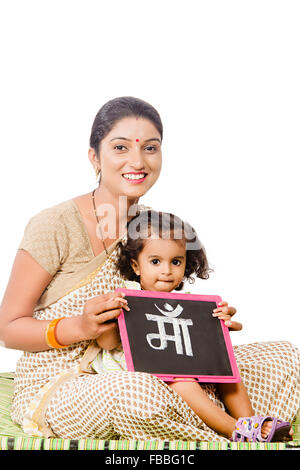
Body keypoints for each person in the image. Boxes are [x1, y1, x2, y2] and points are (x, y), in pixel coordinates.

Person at [0, 96, 298, 441]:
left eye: (151, 148)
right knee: (138, 395)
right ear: (94, 157)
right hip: (68, 380)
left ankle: (226, 421)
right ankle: (231, 429)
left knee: (284, 358)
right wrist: (80, 327)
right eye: (120, 147)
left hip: (156, 366)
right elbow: (8, 329)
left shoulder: (154, 227)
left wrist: (207, 329)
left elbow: (159, 306)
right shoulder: (55, 224)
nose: (137, 161)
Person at [90, 209, 293, 442]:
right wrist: (112, 319)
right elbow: (106, 342)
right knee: (181, 381)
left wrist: (218, 326)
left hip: (184, 361)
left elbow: (201, 344)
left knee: (225, 369)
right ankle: (233, 429)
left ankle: (251, 423)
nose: (166, 270)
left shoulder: (187, 302)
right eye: (155, 262)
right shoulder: (127, 298)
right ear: (136, 266)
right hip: (147, 368)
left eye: (175, 261)